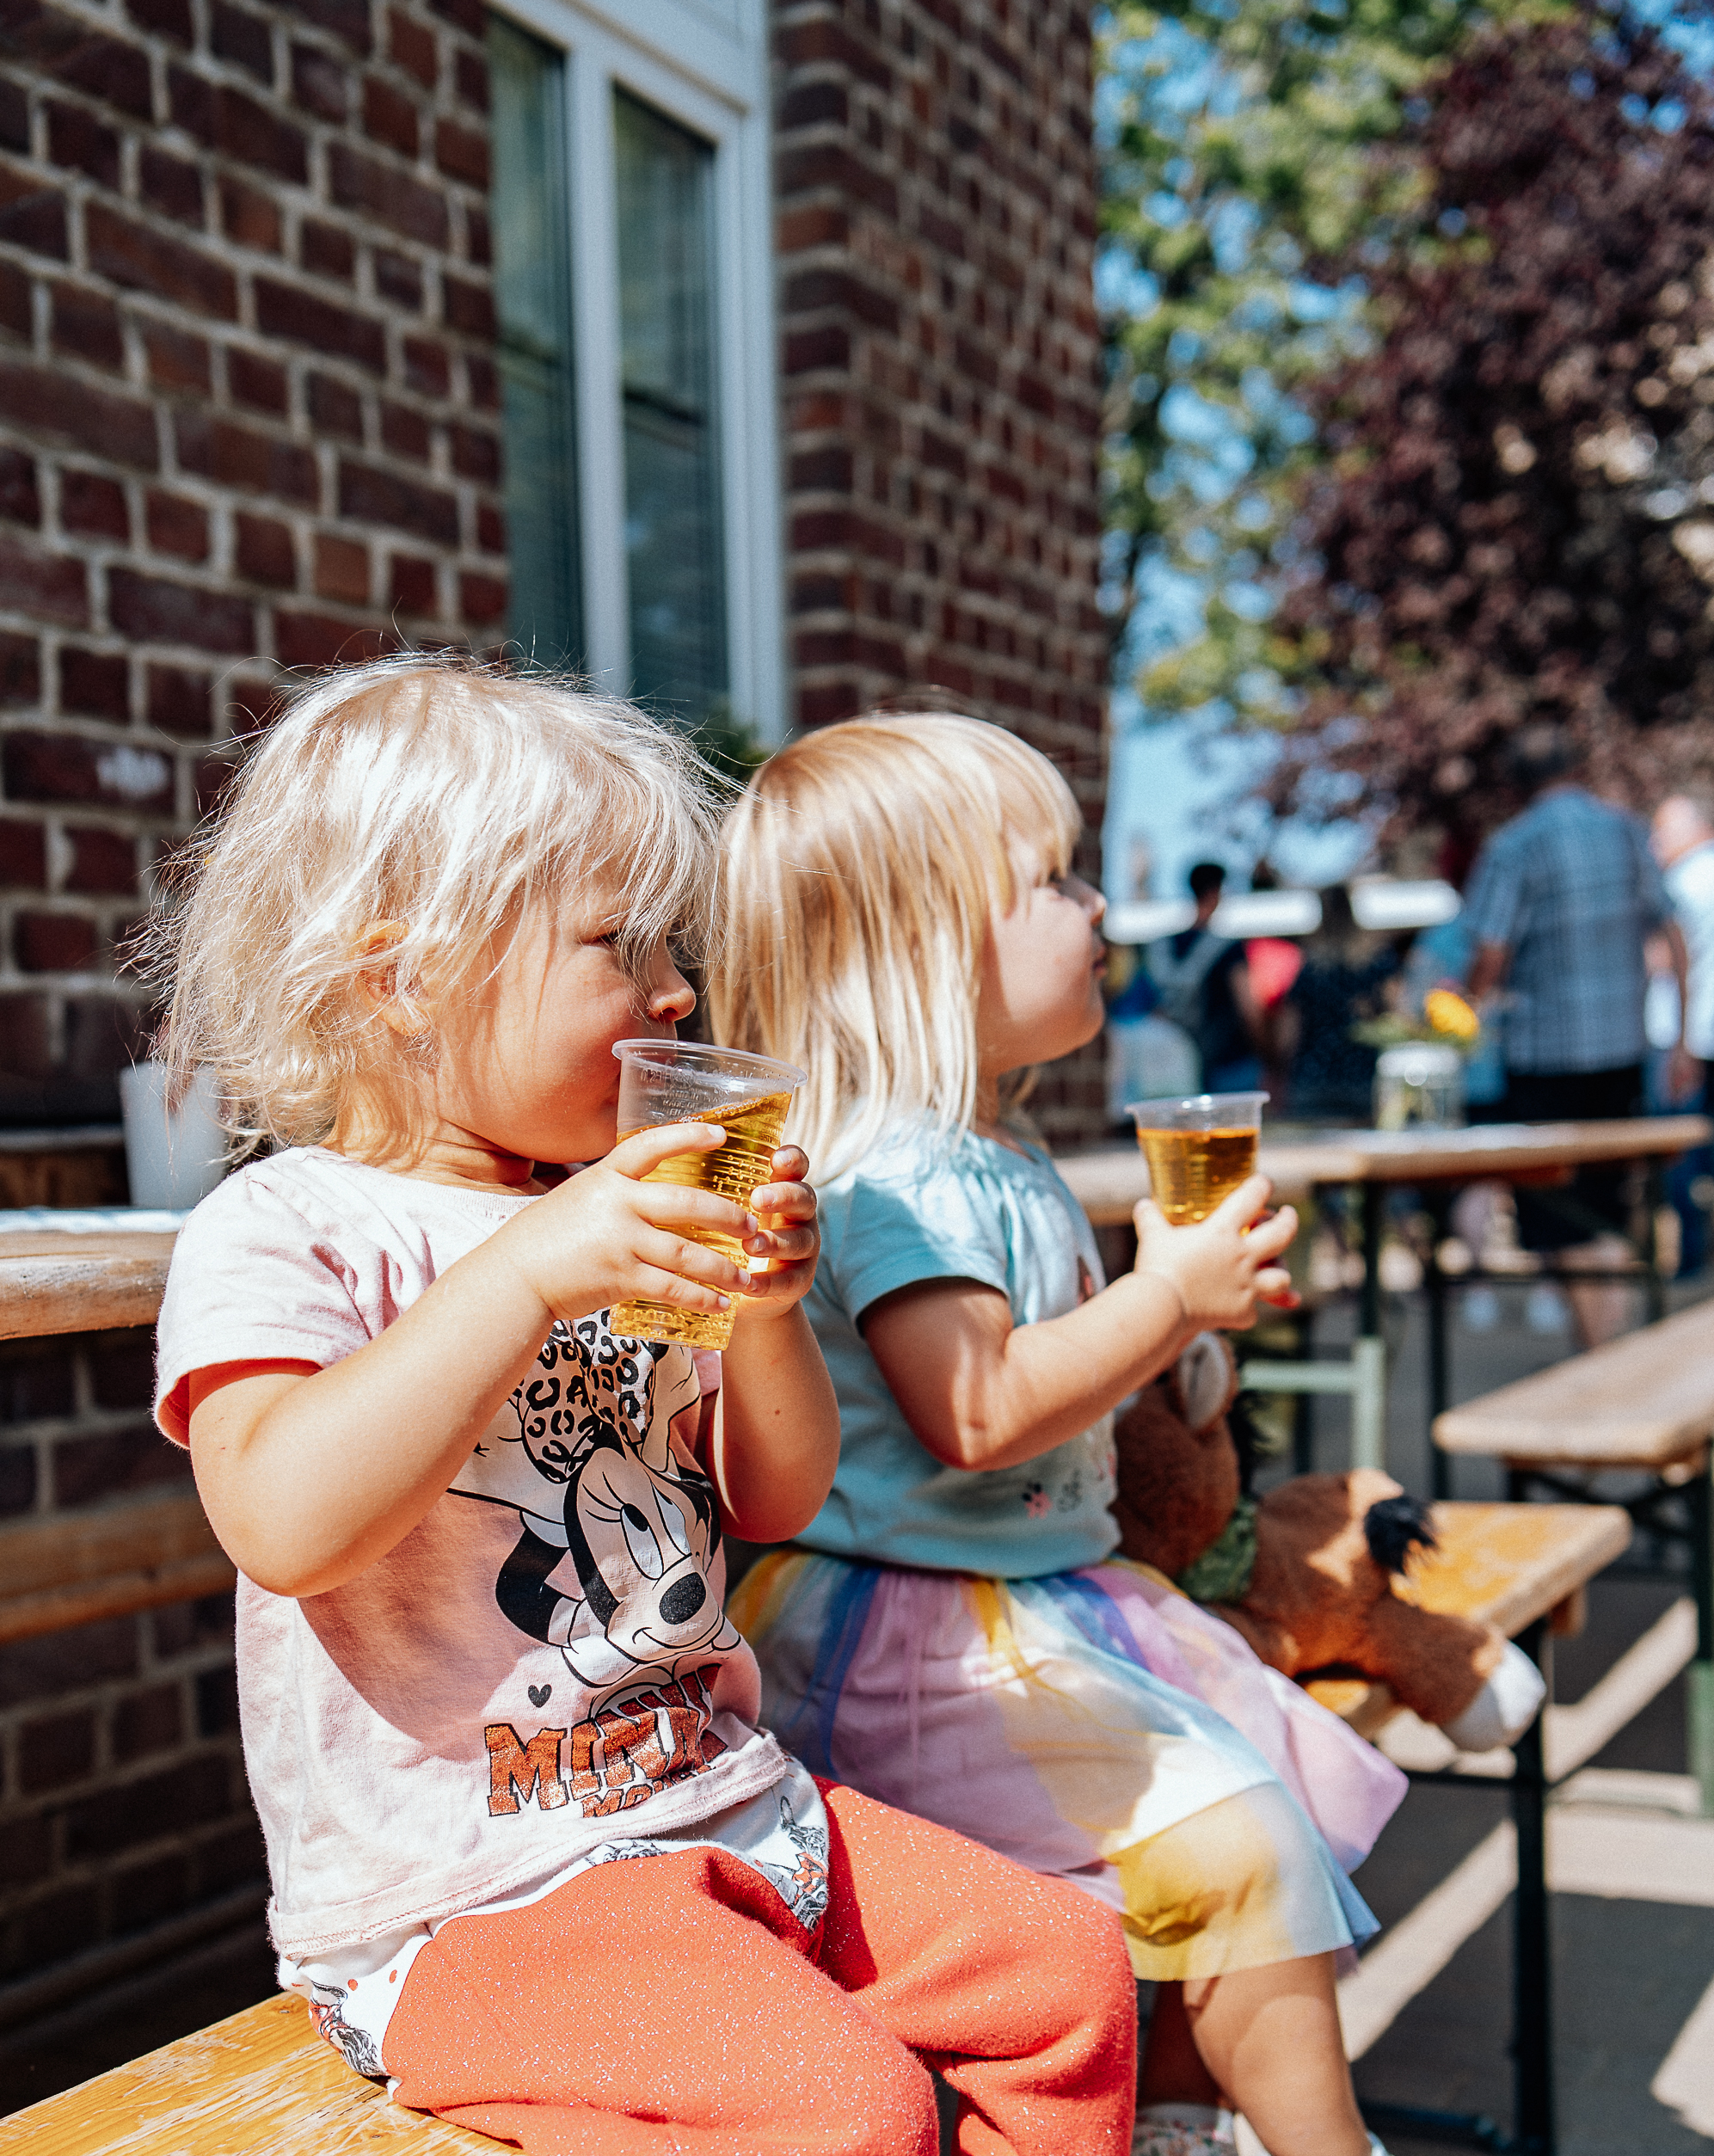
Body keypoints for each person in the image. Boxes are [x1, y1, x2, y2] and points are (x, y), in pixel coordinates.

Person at [144, 658, 1139, 2156]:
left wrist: (760, 1312)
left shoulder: (618, 1210)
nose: (675, 987)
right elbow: (285, 1523)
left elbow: (774, 1495)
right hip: (470, 1894)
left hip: (724, 1799)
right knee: (845, 2111)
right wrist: (527, 1274)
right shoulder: (292, 1225)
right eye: (618, 944)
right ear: (401, 976)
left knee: (1067, 1980)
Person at [712, 715, 1404, 2156]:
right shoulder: (898, 1173)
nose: (1097, 908)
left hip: (1031, 1607)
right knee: (1235, 1838)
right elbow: (973, 1411)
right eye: (1054, 879)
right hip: (912, 1637)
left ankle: (1178, 2117)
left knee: (1249, 1778)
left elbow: (1067, 1381)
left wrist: (1188, 1328)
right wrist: (1161, 1295)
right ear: (924, 941)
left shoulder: (996, 1151)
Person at [1464, 724, 1687, 1341]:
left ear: (1515, 784)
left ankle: (1598, 1354)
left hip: (1543, 1058)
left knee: (1557, 1220)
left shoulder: (1513, 844)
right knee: (1607, 1208)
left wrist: (1463, 1014)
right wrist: (1682, 1040)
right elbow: (1672, 933)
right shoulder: (1624, 830)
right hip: (1620, 1050)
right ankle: (1604, 1351)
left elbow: (1489, 951)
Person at [1650, 790, 1714, 1271]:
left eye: (1662, 832)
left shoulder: (1678, 885)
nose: (1654, 843)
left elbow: (1666, 962)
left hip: (1684, 1037)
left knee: (1679, 1152)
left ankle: (1691, 1257)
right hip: (1695, 1035)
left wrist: (1682, 1046)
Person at [1279, 886, 1402, 1123]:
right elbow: (1396, 1018)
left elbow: (1287, 1037)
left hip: (1313, 1079)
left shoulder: (1310, 968)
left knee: (1316, 1158)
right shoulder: (1378, 962)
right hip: (1365, 1079)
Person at [1147, 863, 1263, 1092]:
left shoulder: (1160, 948)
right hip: (1228, 1064)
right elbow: (1249, 1009)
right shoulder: (1228, 950)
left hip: (1174, 1065)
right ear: (1216, 892)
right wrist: (1269, 1054)